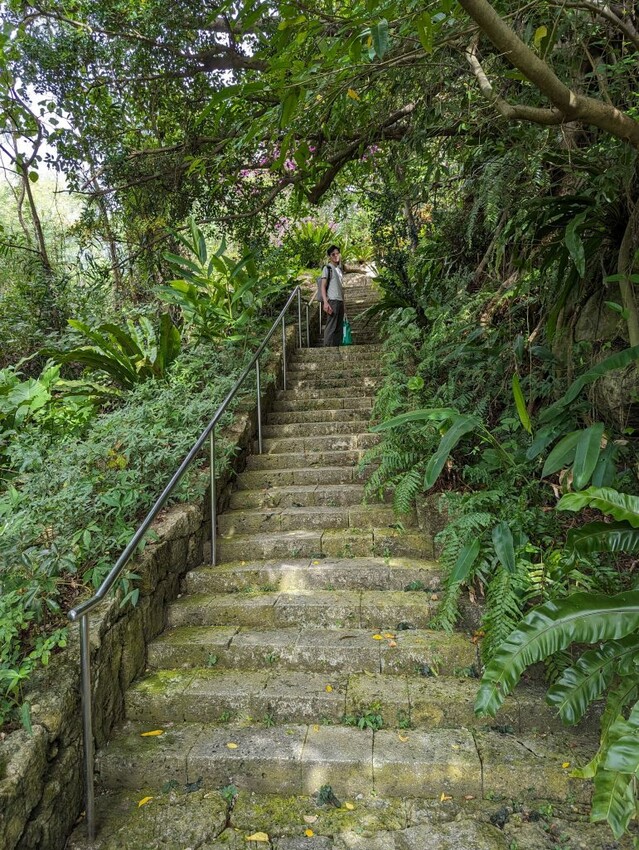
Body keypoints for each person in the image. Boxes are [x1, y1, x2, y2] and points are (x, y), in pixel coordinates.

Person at [320, 244, 347, 347]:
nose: (336, 256)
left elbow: (341, 289)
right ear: (329, 256)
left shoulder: (339, 270)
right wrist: (326, 302)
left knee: (338, 328)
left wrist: (344, 305)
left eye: (337, 253)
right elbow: (323, 286)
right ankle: (327, 349)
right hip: (332, 301)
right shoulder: (327, 268)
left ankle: (336, 348)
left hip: (340, 302)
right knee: (331, 326)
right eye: (333, 254)